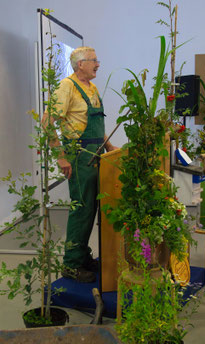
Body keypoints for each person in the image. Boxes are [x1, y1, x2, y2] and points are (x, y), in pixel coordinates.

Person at [42, 46, 117, 283]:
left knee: (92, 208)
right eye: (94, 60)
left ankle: (83, 255)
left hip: (95, 154)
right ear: (80, 64)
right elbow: (46, 122)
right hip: (78, 154)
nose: (98, 64)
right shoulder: (67, 86)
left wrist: (109, 147)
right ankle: (71, 265)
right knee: (81, 209)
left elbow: (97, 126)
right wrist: (61, 156)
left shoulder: (91, 87)